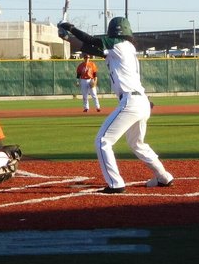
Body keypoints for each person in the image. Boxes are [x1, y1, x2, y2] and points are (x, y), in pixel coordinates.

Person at [58, 17, 174, 193]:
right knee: (137, 144)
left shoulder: (119, 45)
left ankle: (116, 183)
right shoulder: (123, 49)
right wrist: (66, 38)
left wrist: (71, 28)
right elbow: (89, 48)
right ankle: (163, 176)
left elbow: (91, 40)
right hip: (141, 101)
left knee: (102, 141)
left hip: (131, 101)